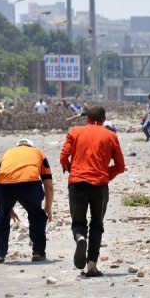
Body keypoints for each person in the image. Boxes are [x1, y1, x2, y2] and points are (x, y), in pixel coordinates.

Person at [60, 107, 125, 277]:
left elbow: (63, 157)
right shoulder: (110, 136)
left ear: (87, 118)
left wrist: (71, 170)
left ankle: (80, 237)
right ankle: (91, 266)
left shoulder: (75, 132)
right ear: (104, 118)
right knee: (97, 224)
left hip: (77, 183)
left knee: (78, 222)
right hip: (100, 185)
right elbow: (120, 166)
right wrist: (104, 175)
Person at [0, 138, 54, 263]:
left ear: (17, 146)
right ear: (31, 146)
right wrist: (47, 207)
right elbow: (48, 185)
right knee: (37, 216)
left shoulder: (7, 153)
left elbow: (2, 177)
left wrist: (7, 209)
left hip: (4, 187)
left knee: (2, 217)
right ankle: (38, 252)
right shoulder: (39, 153)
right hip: (29, 185)